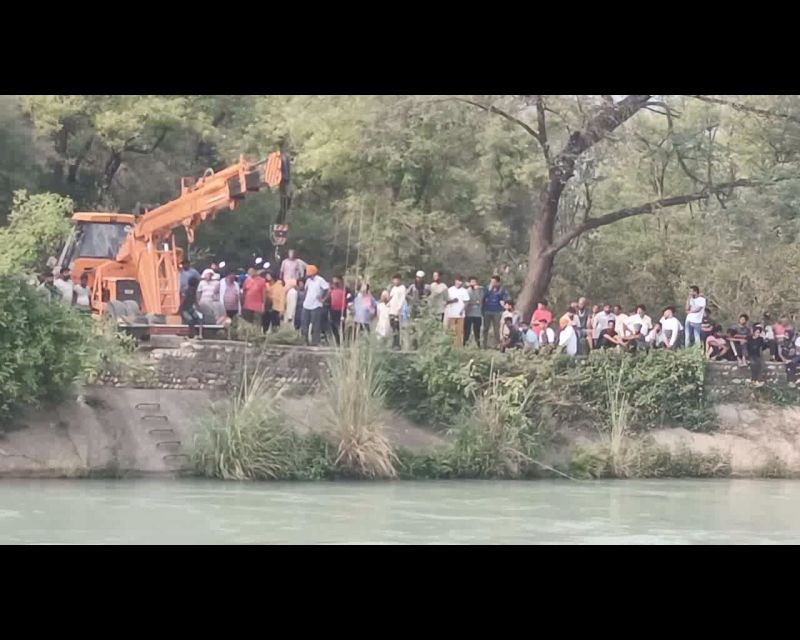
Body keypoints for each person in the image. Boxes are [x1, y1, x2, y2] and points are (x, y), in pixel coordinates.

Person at [301, 266, 329, 346]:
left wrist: (323, 299)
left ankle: (316, 341)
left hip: (316, 305)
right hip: (306, 305)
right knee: (304, 323)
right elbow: (306, 290)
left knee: (316, 324)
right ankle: (305, 341)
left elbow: (327, 289)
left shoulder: (320, 280)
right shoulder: (308, 281)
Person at [482, 275, 508, 348]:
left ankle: (497, 344)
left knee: (497, 328)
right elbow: (482, 297)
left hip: (497, 311)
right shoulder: (487, 288)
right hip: (487, 310)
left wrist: (502, 300)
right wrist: (489, 290)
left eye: (494, 282)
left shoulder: (502, 289)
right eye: (491, 282)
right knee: (485, 328)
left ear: (498, 282)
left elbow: (505, 299)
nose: (492, 283)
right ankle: (484, 344)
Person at [444, 276, 470, 348]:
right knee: (452, 330)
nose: (459, 283)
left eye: (460, 281)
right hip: (451, 313)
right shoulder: (450, 290)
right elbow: (446, 301)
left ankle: (459, 346)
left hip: (460, 314)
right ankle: (451, 345)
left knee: (460, 331)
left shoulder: (464, 291)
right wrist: (451, 301)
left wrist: (462, 310)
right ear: (455, 281)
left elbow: (466, 302)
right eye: (458, 281)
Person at [387, 274, 407, 350]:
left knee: (396, 327)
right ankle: (393, 342)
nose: (395, 281)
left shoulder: (402, 288)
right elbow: (391, 298)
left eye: (396, 280)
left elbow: (402, 299)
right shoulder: (393, 288)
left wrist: (399, 307)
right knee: (392, 326)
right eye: (394, 280)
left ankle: (397, 344)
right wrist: (388, 304)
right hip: (391, 310)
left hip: (397, 310)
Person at [464, 276, 484, 347]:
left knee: (477, 330)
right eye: (472, 282)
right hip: (468, 314)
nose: (473, 283)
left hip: (477, 314)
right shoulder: (467, 291)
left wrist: (477, 291)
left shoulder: (480, 291)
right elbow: (467, 301)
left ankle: (478, 344)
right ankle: (465, 343)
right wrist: (474, 302)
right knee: (467, 330)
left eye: (474, 282)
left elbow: (480, 300)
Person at [328, 276, 347, 346]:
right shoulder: (332, 292)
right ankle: (339, 340)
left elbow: (344, 302)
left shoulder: (342, 292)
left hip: (339, 310)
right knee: (335, 325)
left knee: (339, 326)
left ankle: (341, 340)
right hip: (334, 310)